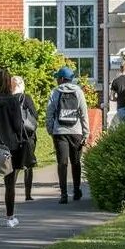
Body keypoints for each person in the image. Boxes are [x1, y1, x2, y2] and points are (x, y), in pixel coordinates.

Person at [0, 67, 25, 228]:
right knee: (10, 183)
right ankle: (10, 216)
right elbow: (17, 124)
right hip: (11, 145)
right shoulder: (13, 100)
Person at [46, 67, 89, 203]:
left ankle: (63, 194)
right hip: (76, 132)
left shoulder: (55, 92)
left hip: (60, 132)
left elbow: (50, 113)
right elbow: (83, 113)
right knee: (76, 162)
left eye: (58, 77)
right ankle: (76, 191)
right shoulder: (79, 92)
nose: (56, 79)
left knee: (62, 163)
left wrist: (50, 129)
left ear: (62, 79)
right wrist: (86, 132)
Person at [12, 75, 39, 201]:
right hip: (28, 136)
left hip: (12, 136)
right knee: (28, 165)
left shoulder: (8, 100)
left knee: (14, 167)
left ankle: (10, 191)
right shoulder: (26, 98)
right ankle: (28, 194)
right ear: (21, 85)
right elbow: (34, 115)